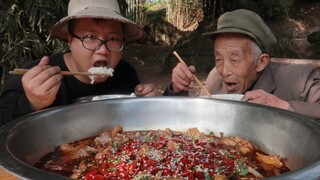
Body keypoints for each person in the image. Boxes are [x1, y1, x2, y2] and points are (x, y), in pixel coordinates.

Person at [0, 0, 160, 126]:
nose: (103, 50)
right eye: (90, 37)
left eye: (113, 39)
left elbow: (137, 123)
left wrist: (146, 102)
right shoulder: (36, 77)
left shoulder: (125, 73)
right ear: (70, 40)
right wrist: (32, 102)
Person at [164, 9, 320, 119]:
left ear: (261, 62)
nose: (224, 71)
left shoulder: (301, 80)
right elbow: (193, 120)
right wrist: (178, 90)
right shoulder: (215, 78)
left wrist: (285, 107)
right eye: (218, 59)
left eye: (234, 60)